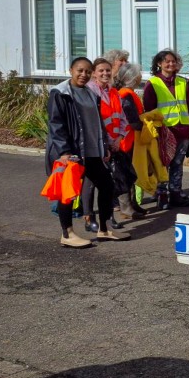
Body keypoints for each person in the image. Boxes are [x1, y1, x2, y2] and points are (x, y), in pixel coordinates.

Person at [46, 57, 128, 247]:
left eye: (87, 71)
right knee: (68, 193)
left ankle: (105, 228)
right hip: (72, 153)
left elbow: (98, 122)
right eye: (79, 71)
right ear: (70, 70)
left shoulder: (91, 94)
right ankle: (67, 234)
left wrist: (105, 145)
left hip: (91, 151)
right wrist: (64, 151)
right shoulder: (60, 93)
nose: (83, 75)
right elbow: (56, 124)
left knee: (107, 185)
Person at [141, 49, 189, 209]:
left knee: (178, 163)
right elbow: (149, 110)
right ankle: (162, 195)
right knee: (162, 164)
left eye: (173, 61)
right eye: (167, 61)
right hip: (164, 131)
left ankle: (175, 193)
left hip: (183, 129)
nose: (170, 64)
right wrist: (157, 130)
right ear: (159, 64)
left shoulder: (182, 82)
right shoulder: (153, 83)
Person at [80, 58, 131, 232]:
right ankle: (88, 218)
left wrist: (119, 139)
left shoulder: (114, 92)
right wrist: (108, 142)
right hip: (96, 144)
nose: (105, 74)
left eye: (108, 70)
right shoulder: (90, 92)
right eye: (101, 70)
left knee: (109, 183)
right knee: (91, 182)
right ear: (94, 73)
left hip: (113, 144)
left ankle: (107, 217)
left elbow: (122, 118)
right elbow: (94, 122)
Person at [113, 62, 147, 219]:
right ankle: (127, 208)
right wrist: (146, 125)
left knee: (129, 173)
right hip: (125, 141)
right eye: (139, 73)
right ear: (133, 78)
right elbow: (132, 120)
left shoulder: (124, 93)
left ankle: (132, 204)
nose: (141, 76)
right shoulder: (126, 95)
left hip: (127, 140)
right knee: (124, 174)